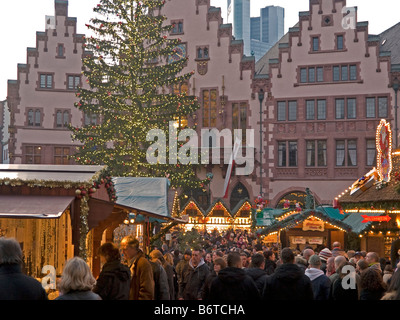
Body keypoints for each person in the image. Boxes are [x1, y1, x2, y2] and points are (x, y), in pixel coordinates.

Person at [120, 236, 154, 300]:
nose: (123, 252)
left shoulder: (143, 263)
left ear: (134, 248)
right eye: (122, 249)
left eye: (125, 249)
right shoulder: (128, 263)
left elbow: (147, 289)